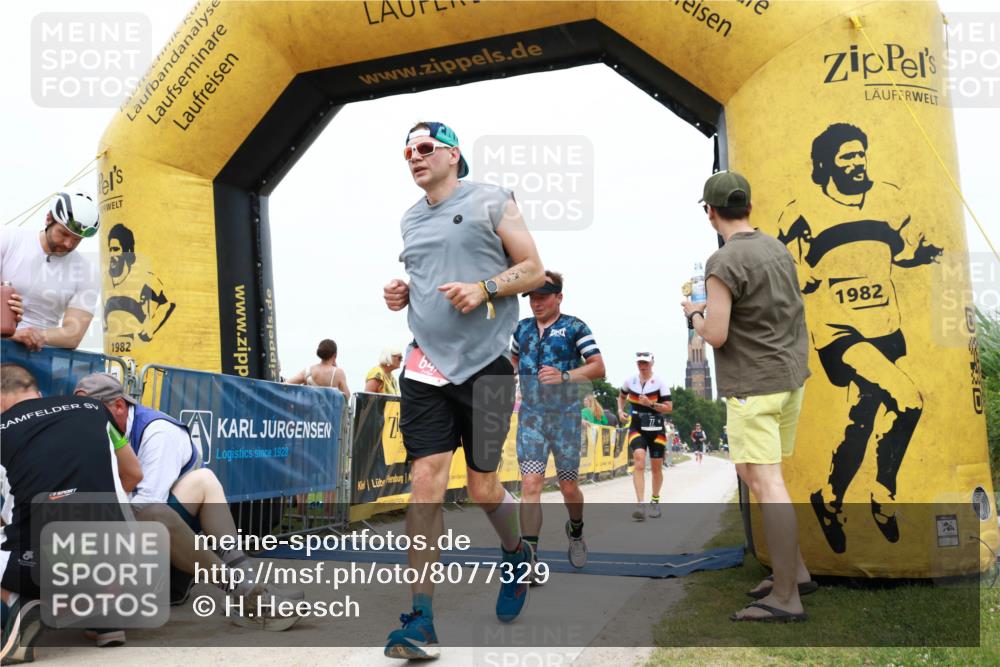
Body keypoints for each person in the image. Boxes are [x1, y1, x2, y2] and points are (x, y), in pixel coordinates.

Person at [381, 121, 545, 659]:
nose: (415, 157)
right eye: (408, 151)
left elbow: (534, 270)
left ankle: (516, 553)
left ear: (453, 154)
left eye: (425, 148)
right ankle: (421, 619)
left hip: (488, 363)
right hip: (426, 365)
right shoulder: (409, 219)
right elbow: (428, 280)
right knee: (425, 480)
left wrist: (485, 288)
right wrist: (403, 294)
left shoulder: (494, 200)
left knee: (482, 488)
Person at [778, 123, 940, 554]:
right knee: (908, 399)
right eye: (847, 156)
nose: (857, 162)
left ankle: (829, 499)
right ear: (826, 164)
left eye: (860, 153)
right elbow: (783, 262)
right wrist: (800, 274)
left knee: (861, 420)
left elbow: (901, 253)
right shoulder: (803, 211)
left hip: (885, 326)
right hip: (839, 331)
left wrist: (924, 254)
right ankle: (884, 494)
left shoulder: (889, 199)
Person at [682, 170, 813, 622]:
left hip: (753, 386)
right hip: (788, 379)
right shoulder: (777, 248)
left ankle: (786, 598)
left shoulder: (723, 262)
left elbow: (716, 335)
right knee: (750, 471)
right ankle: (794, 573)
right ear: (749, 207)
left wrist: (695, 315)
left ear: (710, 212)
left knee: (769, 483)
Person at [72, 373, 302, 631]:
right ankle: (246, 590)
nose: (84, 424)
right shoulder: (95, 434)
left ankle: (248, 588)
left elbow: (144, 506)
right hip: (122, 552)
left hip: (151, 546)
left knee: (196, 485)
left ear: (118, 406)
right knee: (193, 487)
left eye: (92, 414)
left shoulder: (158, 432)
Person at [0, 364, 138, 661]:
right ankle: (107, 618)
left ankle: (23, 606)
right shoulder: (93, 408)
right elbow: (133, 474)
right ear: (36, 392)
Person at [511, 270, 606, 574]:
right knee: (530, 484)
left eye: (542, 297)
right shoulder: (522, 329)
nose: (536, 303)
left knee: (568, 487)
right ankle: (529, 558)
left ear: (559, 297)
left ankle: (576, 530)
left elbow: (598, 367)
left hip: (565, 418)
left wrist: (565, 376)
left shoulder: (575, 327)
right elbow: (512, 360)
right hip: (531, 418)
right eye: (532, 297)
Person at [0, 192, 101, 351]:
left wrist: (37, 335)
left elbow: (73, 335)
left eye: (77, 239)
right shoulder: (7, 238)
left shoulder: (88, 272)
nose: (68, 244)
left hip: (39, 353)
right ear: (48, 219)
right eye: (64, 234)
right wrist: (13, 334)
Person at [617, 353, 672, 521]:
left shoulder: (660, 382)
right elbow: (621, 396)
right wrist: (620, 410)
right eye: (640, 363)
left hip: (656, 429)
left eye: (646, 363)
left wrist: (651, 404)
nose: (643, 366)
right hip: (637, 427)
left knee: (656, 468)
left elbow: (669, 408)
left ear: (652, 363)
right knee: (639, 461)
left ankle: (654, 501)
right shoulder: (630, 381)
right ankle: (640, 504)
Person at [104, 222, 176, 349]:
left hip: (144, 355)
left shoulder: (143, 279)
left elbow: (168, 303)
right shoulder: (107, 284)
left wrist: (151, 327)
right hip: (116, 357)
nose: (111, 255)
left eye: (116, 249)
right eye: (110, 250)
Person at [286, 339, 350, 399]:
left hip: (309, 407)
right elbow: (347, 396)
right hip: (327, 408)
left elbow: (286, 384)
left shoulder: (308, 371)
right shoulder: (338, 373)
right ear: (335, 355)